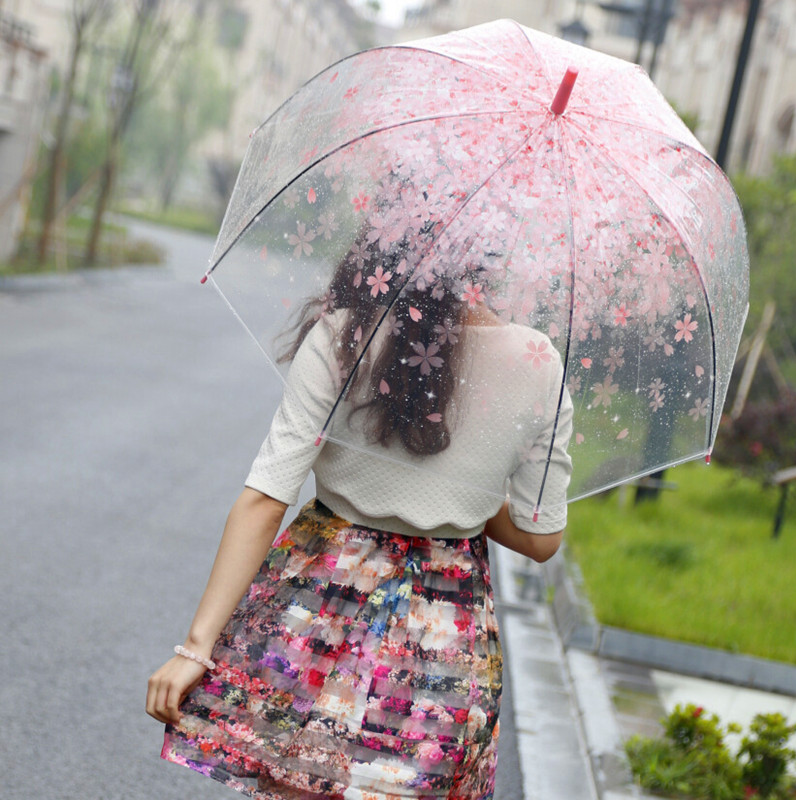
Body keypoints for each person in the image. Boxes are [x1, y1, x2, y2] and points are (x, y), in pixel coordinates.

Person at [146, 227, 573, 800]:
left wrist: (195, 649)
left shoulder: (346, 334)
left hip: (317, 610)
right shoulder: (539, 363)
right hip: (442, 634)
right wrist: (461, 490)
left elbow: (267, 497)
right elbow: (540, 537)